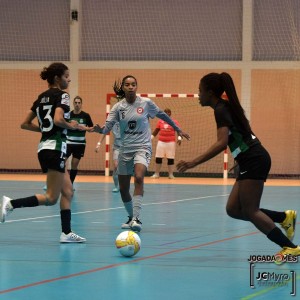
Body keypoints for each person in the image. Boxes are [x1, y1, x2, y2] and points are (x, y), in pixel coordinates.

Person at [177, 72, 299, 256]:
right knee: (233, 209)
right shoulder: (225, 107)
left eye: (200, 91)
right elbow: (240, 136)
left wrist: (193, 162)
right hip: (249, 159)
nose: (198, 95)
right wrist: (239, 160)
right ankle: (284, 217)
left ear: (210, 92)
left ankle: (289, 247)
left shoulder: (221, 109)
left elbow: (222, 142)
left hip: (254, 159)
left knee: (251, 210)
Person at [0, 62, 86, 243]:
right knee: (51, 198)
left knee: (68, 191)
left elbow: (24, 124)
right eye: (66, 76)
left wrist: (45, 131)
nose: (69, 79)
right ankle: (10, 204)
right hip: (55, 148)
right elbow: (58, 119)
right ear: (57, 78)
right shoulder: (63, 95)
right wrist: (70, 125)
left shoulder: (40, 98)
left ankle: (66, 233)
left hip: (45, 147)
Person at [93, 75, 190, 232]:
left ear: (136, 87)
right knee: (124, 189)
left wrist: (178, 129)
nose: (131, 87)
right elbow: (107, 127)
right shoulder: (118, 107)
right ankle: (131, 217)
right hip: (125, 149)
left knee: (138, 177)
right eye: (127, 84)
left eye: (133, 84)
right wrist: (99, 130)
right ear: (123, 88)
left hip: (143, 147)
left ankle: (136, 218)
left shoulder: (146, 103)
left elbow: (163, 115)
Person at [66, 96, 94, 187]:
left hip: (80, 144)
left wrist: (82, 127)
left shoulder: (86, 115)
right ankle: (60, 182)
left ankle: (70, 184)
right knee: (61, 163)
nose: (77, 104)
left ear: (81, 104)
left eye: (79, 103)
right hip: (68, 143)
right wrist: (71, 125)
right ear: (73, 104)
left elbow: (91, 129)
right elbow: (63, 126)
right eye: (76, 102)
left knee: (74, 165)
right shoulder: (68, 115)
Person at [151, 108, 181, 179]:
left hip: (171, 143)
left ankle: (171, 174)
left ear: (170, 113)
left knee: (170, 158)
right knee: (158, 158)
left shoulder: (174, 122)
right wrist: (150, 139)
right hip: (161, 142)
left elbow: (179, 131)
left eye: (169, 112)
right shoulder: (160, 122)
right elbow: (156, 131)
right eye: (166, 112)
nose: (167, 113)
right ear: (163, 114)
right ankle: (156, 174)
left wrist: (179, 138)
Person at [95, 122, 121, 192]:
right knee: (116, 165)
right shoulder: (112, 121)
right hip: (117, 147)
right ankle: (116, 186)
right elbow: (104, 131)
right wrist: (99, 144)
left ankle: (139, 185)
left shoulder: (128, 118)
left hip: (128, 146)